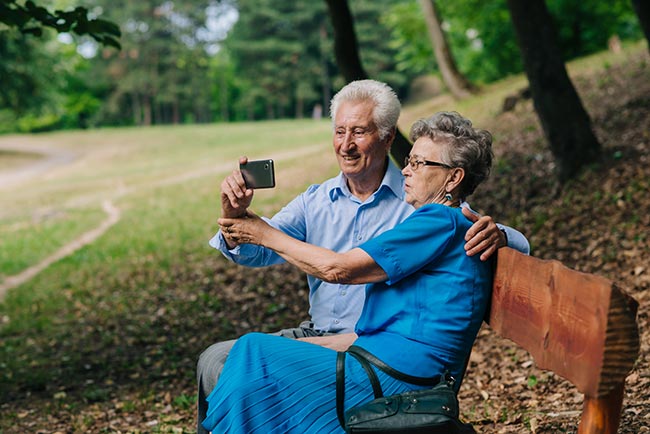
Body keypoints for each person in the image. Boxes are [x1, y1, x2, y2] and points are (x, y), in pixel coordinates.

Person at [197, 80, 529, 432]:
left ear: (387, 139)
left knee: (251, 358)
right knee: (227, 358)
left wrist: (500, 234)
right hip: (353, 341)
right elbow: (254, 252)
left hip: (381, 357)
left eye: (358, 132)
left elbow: (337, 268)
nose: (346, 144)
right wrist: (234, 216)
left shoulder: (430, 212)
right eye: (340, 131)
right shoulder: (319, 199)